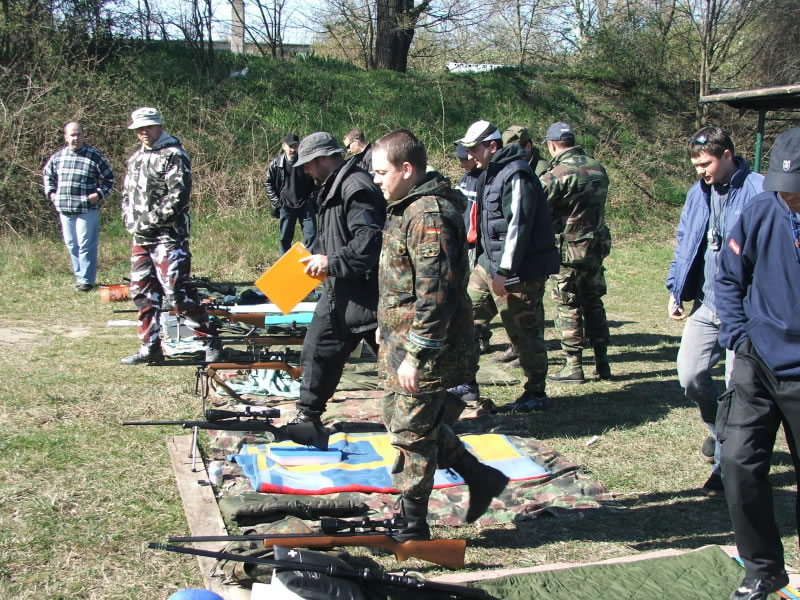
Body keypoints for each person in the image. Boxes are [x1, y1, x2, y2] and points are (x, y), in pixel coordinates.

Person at [372, 129, 508, 540]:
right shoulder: (405, 207)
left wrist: (417, 355)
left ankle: (412, 524)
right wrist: (385, 326)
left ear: (406, 169)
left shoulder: (428, 215)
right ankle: (479, 475)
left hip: (426, 349)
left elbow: (437, 294)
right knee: (402, 421)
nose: (376, 180)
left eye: (381, 172)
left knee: (412, 433)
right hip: (401, 340)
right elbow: (402, 281)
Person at [714, 127, 800, 600]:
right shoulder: (762, 210)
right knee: (738, 462)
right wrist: (738, 336)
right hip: (757, 359)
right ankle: (763, 569)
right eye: (783, 189)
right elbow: (729, 278)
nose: (789, 198)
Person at [665, 125, 763, 494]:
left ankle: (725, 467)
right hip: (706, 304)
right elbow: (685, 240)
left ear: (727, 155)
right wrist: (676, 288)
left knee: (738, 388)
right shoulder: (698, 192)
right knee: (690, 376)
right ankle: (718, 430)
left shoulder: (759, 191)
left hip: (745, 311)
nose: (700, 171)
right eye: (695, 165)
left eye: (705, 164)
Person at [449, 120, 559, 413]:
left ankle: (535, 392)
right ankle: (466, 383)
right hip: (487, 265)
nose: (470, 155)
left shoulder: (517, 174)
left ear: (492, 146)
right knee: (464, 319)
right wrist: (482, 263)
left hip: (518, 272)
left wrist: (505, 271)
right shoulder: (488, 172)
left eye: (475, 149)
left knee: (524, 333)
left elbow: (518, 226)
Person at [291, 132, 386, 425]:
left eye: (308, 165)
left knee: (400, 365)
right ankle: (307, 418)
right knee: (316, 350)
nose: (306, 171)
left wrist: (330, 263)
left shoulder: (355, 187)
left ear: (322, 159)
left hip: (368, 296)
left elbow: (368, 241)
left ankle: (439, 411)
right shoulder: (335, 186)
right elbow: (337, 237)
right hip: (339, 290)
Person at [119, 107, 220, 365]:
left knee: (177, 292)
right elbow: (127, 194)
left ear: (159, 126)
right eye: (139, 128)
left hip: (169, 237)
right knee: (141, 293)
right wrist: (130, 220)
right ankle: (150, 347)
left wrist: (148, 222)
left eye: (148, 126)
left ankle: (209, 341)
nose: (144, 132)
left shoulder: (174, 155)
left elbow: (178, 197)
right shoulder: (135, 158)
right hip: (141, 238)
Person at [539, 122, 612, 384]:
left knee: (568, 304)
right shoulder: (598, 168)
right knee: (593, 300)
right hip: (595, 246)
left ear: (552, 145)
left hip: (568, 251)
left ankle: (573, 365)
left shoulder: (556, 174)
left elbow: (537, 207)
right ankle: (602, 361)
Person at [42, 121, 115, 292]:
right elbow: (47, 175)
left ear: (83, 135)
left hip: (87, 209)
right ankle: (80, 277)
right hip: (65, 209)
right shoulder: (58, 157)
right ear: (66, 137)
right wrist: (52, 194)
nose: (76, 138)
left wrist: (98, 195)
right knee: (72, 244)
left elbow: (110, 178)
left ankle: (87, 281)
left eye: (79, 134)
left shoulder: (94, 156)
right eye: (72, 135)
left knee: (85, 244)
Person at [265, 132, 318, 256]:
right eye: (290, 146)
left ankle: (310, 263)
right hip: (286, 207)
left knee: (312, 236)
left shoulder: (306, 162)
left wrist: (311, 199)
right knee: (285, 238)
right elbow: (268, 184)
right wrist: (277, 202)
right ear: (283, 146)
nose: (293, 149)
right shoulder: (276, 163)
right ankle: (285, 263)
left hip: (306, 206)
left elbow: (316, 181)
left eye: (296, 146)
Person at [454, 143, 482, 272]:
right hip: (462, 240)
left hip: (476, 243)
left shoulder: (482, 179)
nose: (462, 163)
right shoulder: (463, 180)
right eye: (460, 159)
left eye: (465, 159)